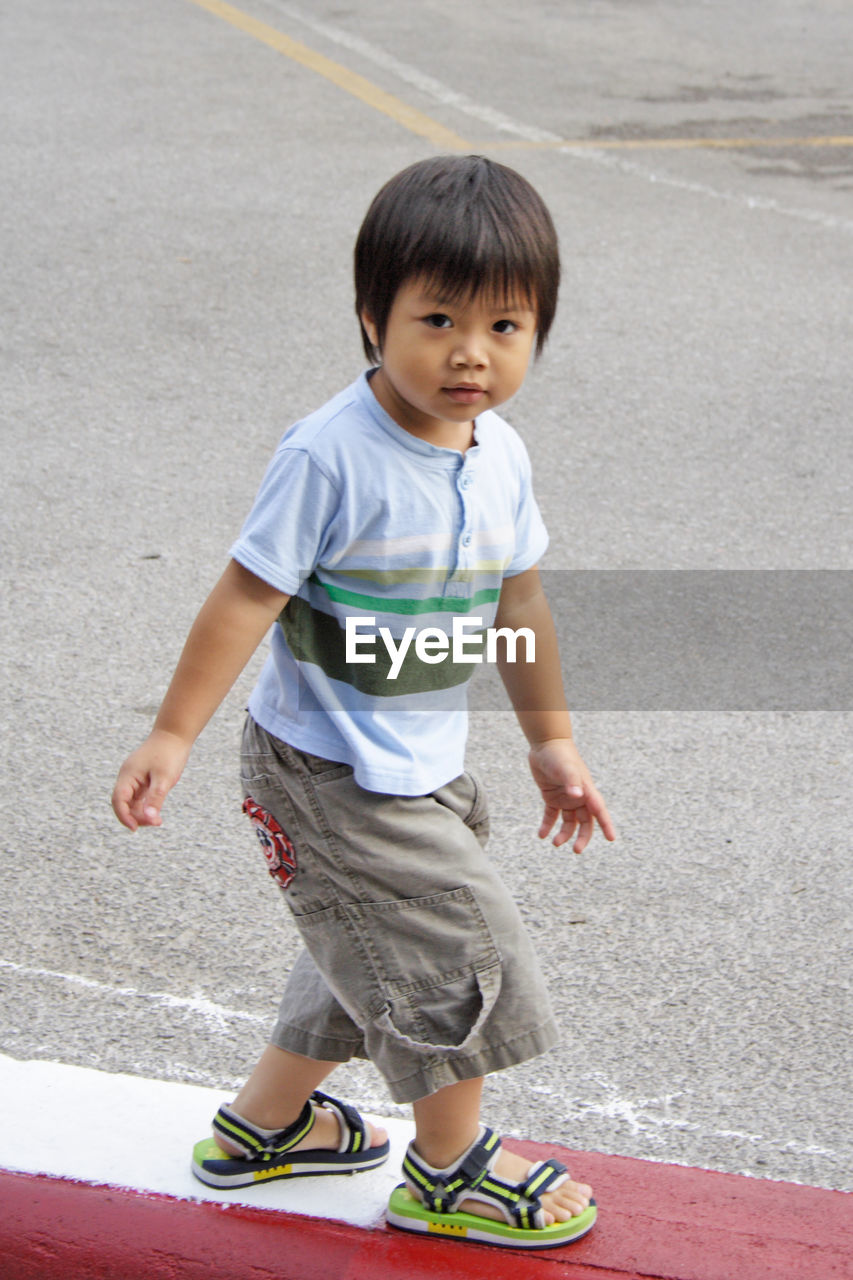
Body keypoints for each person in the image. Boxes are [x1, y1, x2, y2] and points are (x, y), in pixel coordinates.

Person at [112, 154, 615, 1251]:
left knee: (369, 948)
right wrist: (172, 731)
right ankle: (448, 1170)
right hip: (326, 769)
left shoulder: (502, 456)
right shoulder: (331, 454)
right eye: (437, 318)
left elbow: (518, 596)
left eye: (508, 325)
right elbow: (249, 590)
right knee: (455, 949)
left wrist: (552, 738)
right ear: (369, 318)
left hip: (420, 759)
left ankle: (266, 1124)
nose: (471, 352)